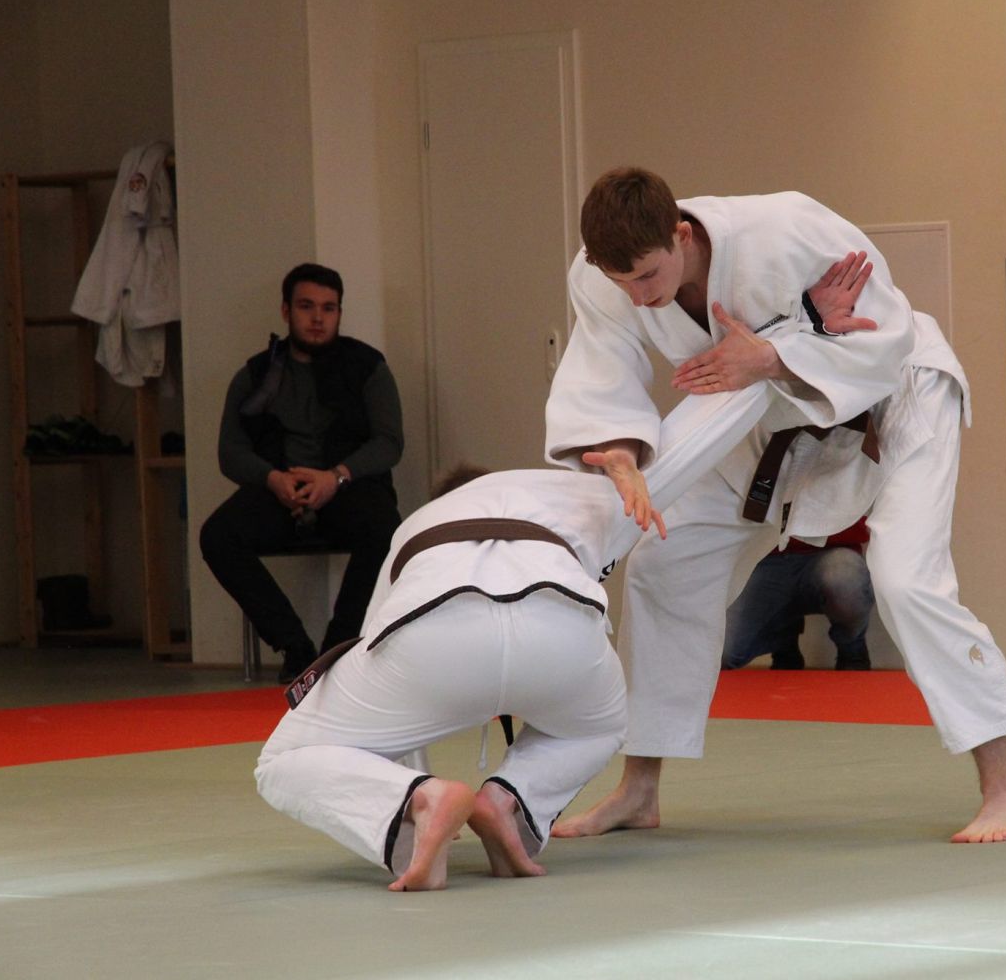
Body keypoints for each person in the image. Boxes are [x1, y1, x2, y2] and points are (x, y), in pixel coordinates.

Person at [545, 167, 1006, 844]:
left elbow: (886, 338)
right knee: (664, 564)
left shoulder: (786, 229)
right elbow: (603, 372)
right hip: (767, 412)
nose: (638, 295)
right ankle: (639, 790)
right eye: (621, 281)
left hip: (897, 397)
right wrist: (622, 453)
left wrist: (775, 355)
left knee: (904, 578)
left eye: (648, 276)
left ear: (680, 234)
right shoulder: (601, 277)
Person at [254, 383, 774, 890]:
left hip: (436, 632)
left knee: (284, 759)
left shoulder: (414, 525)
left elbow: (378, 641)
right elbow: (686, 447)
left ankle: (419, 804)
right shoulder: (582, 492)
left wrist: (413, 786)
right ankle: (510, 800)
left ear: (446, 500)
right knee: (597, 728)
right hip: (562, 631)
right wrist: (767, 365)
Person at [200, 263, 404, 684]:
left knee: (385, 527)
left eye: (328, 308)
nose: (317, 318)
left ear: (339, 313)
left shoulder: (368, 367)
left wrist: (336, 476)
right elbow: (230, 451)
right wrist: (273, 479)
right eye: (307, 306)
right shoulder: (256, 374)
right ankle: (294, 646)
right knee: (218, 535)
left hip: (346, 487)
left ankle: (337, 650)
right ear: (286, 310)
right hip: (279, 490)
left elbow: (389, 442)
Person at [722, 518, 875, 671]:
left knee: (845, 580)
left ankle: (853, 651)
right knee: (721, 654)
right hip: (762, 557)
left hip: (832, 549)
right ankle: (783, 642)